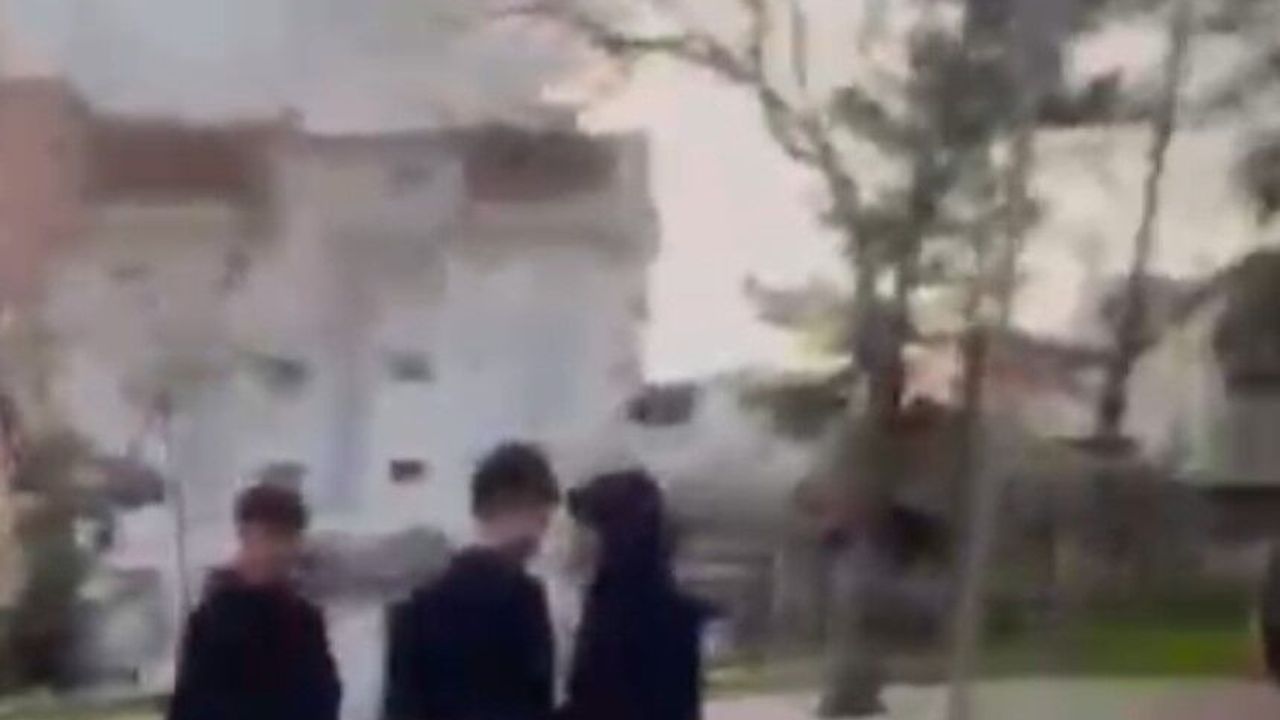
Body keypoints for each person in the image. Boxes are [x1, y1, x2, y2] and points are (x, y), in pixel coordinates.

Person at [385, 442, 560, 720]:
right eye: (542, 514)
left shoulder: (417, 604)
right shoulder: (525, 598)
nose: (543, 530)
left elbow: (401, 706)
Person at [168, 483, 340, 720]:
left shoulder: (305, 620)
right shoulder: (212, 621)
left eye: (289, 537)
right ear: (244, 537)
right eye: (270, 535)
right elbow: (192, 707)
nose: (280, 550)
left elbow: (323, 700)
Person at [560, 468, 712, 720]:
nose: (577, 539)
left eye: (587, 527)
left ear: (613, 535)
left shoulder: (625, 615)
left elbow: (601, 703)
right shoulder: (666, 609)